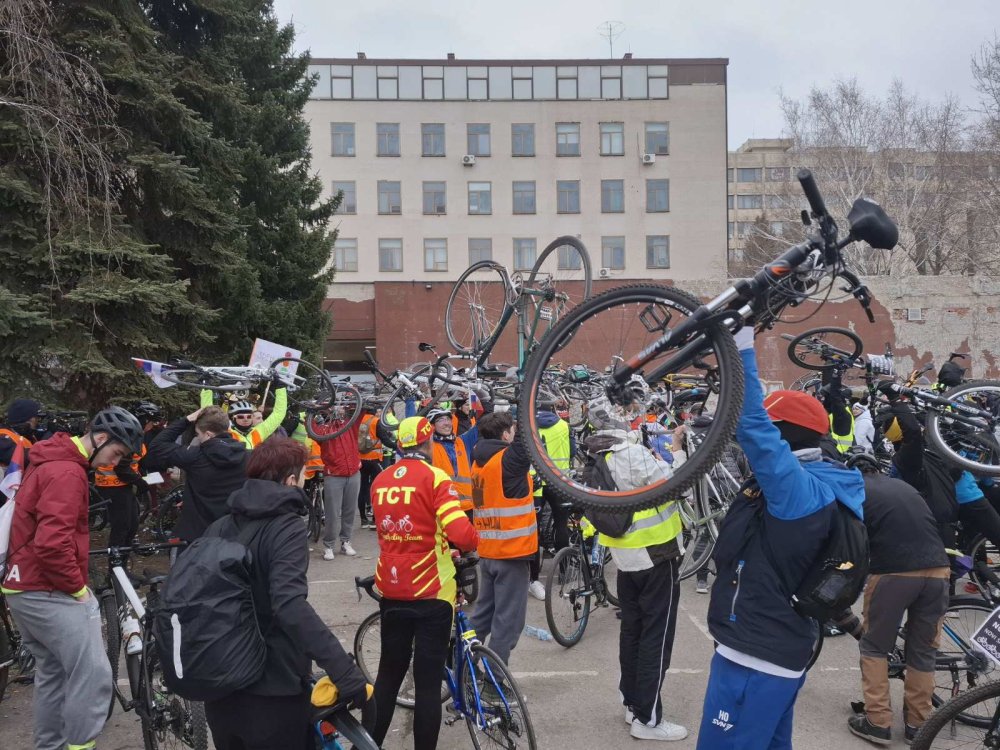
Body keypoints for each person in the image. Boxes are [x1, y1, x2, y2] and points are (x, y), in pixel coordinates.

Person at [697, 327, 865, 749]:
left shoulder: (799, 492)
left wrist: (738, 344)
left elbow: (753, 423)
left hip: (756, 655)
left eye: (776, 429)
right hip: (773, 647)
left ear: (787, 434)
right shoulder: (825, 480)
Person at [201, 436, 371, 750]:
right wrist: (343, 671)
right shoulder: (286, 526)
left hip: (220, 687)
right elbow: (289, 605)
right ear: (291, 480)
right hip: (271, 690)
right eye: (305, 475)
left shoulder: (220, 526)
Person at [2, 406, 144, 750]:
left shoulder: (52, 460)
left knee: (54, 674)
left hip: (21, 586)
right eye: (115, 452)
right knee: (93, 675)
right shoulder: (67, 472)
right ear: (99, 438)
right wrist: (79, 590)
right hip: (45, 588)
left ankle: (49, 746)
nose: (113, 461)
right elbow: (53, 544)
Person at [367, 416, 478, 750]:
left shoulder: (380, 480)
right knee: (428, 684)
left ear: (400, 445)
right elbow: (461, 533)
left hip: (391, 587)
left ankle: (367, 744)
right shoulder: (436, 478)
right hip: (432, 589)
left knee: (387, 677)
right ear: (428, 444)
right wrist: (474, 540)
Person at [584, 416, 688, 742]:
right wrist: (679, 451)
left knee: (632, 632)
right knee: (656, 639)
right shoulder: (632, 454)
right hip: (656, 555)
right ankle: (649, 719)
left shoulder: (598, 459)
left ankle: (632, 703)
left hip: (626, 559)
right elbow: (677, 485)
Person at [845, 458, 950, 745]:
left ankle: (877, 721)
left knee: (875, 646)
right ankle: (919, 724)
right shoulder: (904, 486)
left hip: (894, 572)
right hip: (939, 571)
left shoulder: (856, 489)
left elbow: (849, 540)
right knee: (923, 650)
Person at [469, 411, 536, 667]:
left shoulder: (478, 463)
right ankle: (494, 681)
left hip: (488, 553)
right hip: (511, 554)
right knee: (508, 623)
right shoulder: (507, 460)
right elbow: (528, 442)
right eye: (513, 431)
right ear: (506, 434)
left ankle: (460, 664)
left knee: (483, 616)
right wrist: (526, 399)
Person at [148, 405, 248, 543]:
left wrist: (187, 419)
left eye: (198, 434)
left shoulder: (194, 456)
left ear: (208, 434)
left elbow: (157, 446)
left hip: (198, 536)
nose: (198, 438)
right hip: (234, 534)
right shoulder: (248, 456)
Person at [315, 411, 362, 560]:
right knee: (332, 513)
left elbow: (359, 410)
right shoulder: (324, 429)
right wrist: (314, 413)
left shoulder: (350, 423)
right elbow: (312, 431)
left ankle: (346, 541)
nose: (340, 411)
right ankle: (329, 545)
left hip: (353, 473)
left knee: (350, 510)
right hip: (334, 475)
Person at [200, 383, 288, 449]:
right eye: (240, 417)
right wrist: (207, 389)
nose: (245, 419)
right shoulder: (226, 432)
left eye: (249, 416)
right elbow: (209, 415)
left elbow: (278, 414)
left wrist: (280, 389)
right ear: (233, 418)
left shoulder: (259, 431)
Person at [427, 406, 477, 515]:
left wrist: (482, 396)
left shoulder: (463, 442)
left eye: (448, 419)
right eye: (440, 420)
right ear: (432, 426)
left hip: (468, 508)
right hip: (442, 508)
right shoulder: (428, 447)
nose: (446, 423)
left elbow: (482, 423)